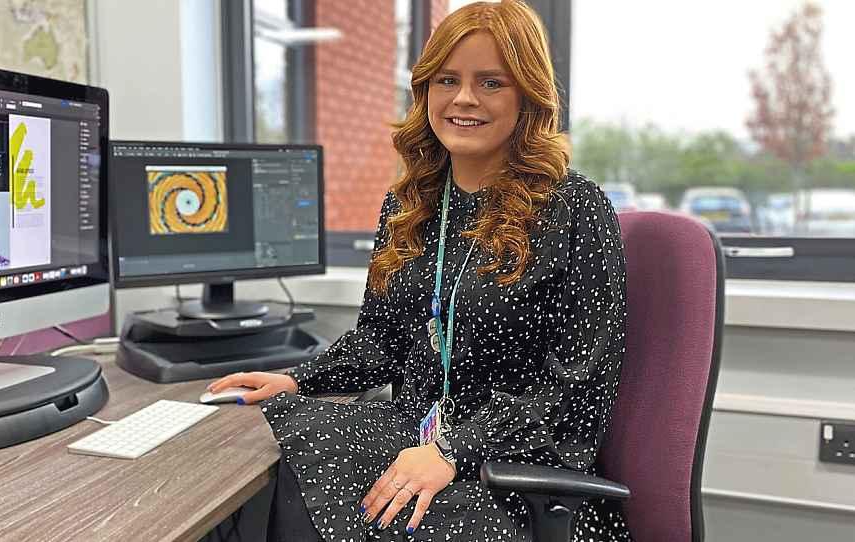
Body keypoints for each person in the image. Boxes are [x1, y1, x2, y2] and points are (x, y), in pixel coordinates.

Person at [208, 1, 629, 540]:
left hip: (515, 469)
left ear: (527, 95)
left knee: (355, 513)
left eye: (491, 82)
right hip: (419, 439)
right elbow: (380, 340)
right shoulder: (409, 204)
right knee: (285, 455)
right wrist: (297, 379)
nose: (464, 98)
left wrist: (454, 450)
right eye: (447, 80)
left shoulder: (575, 207)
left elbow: (578, 389)